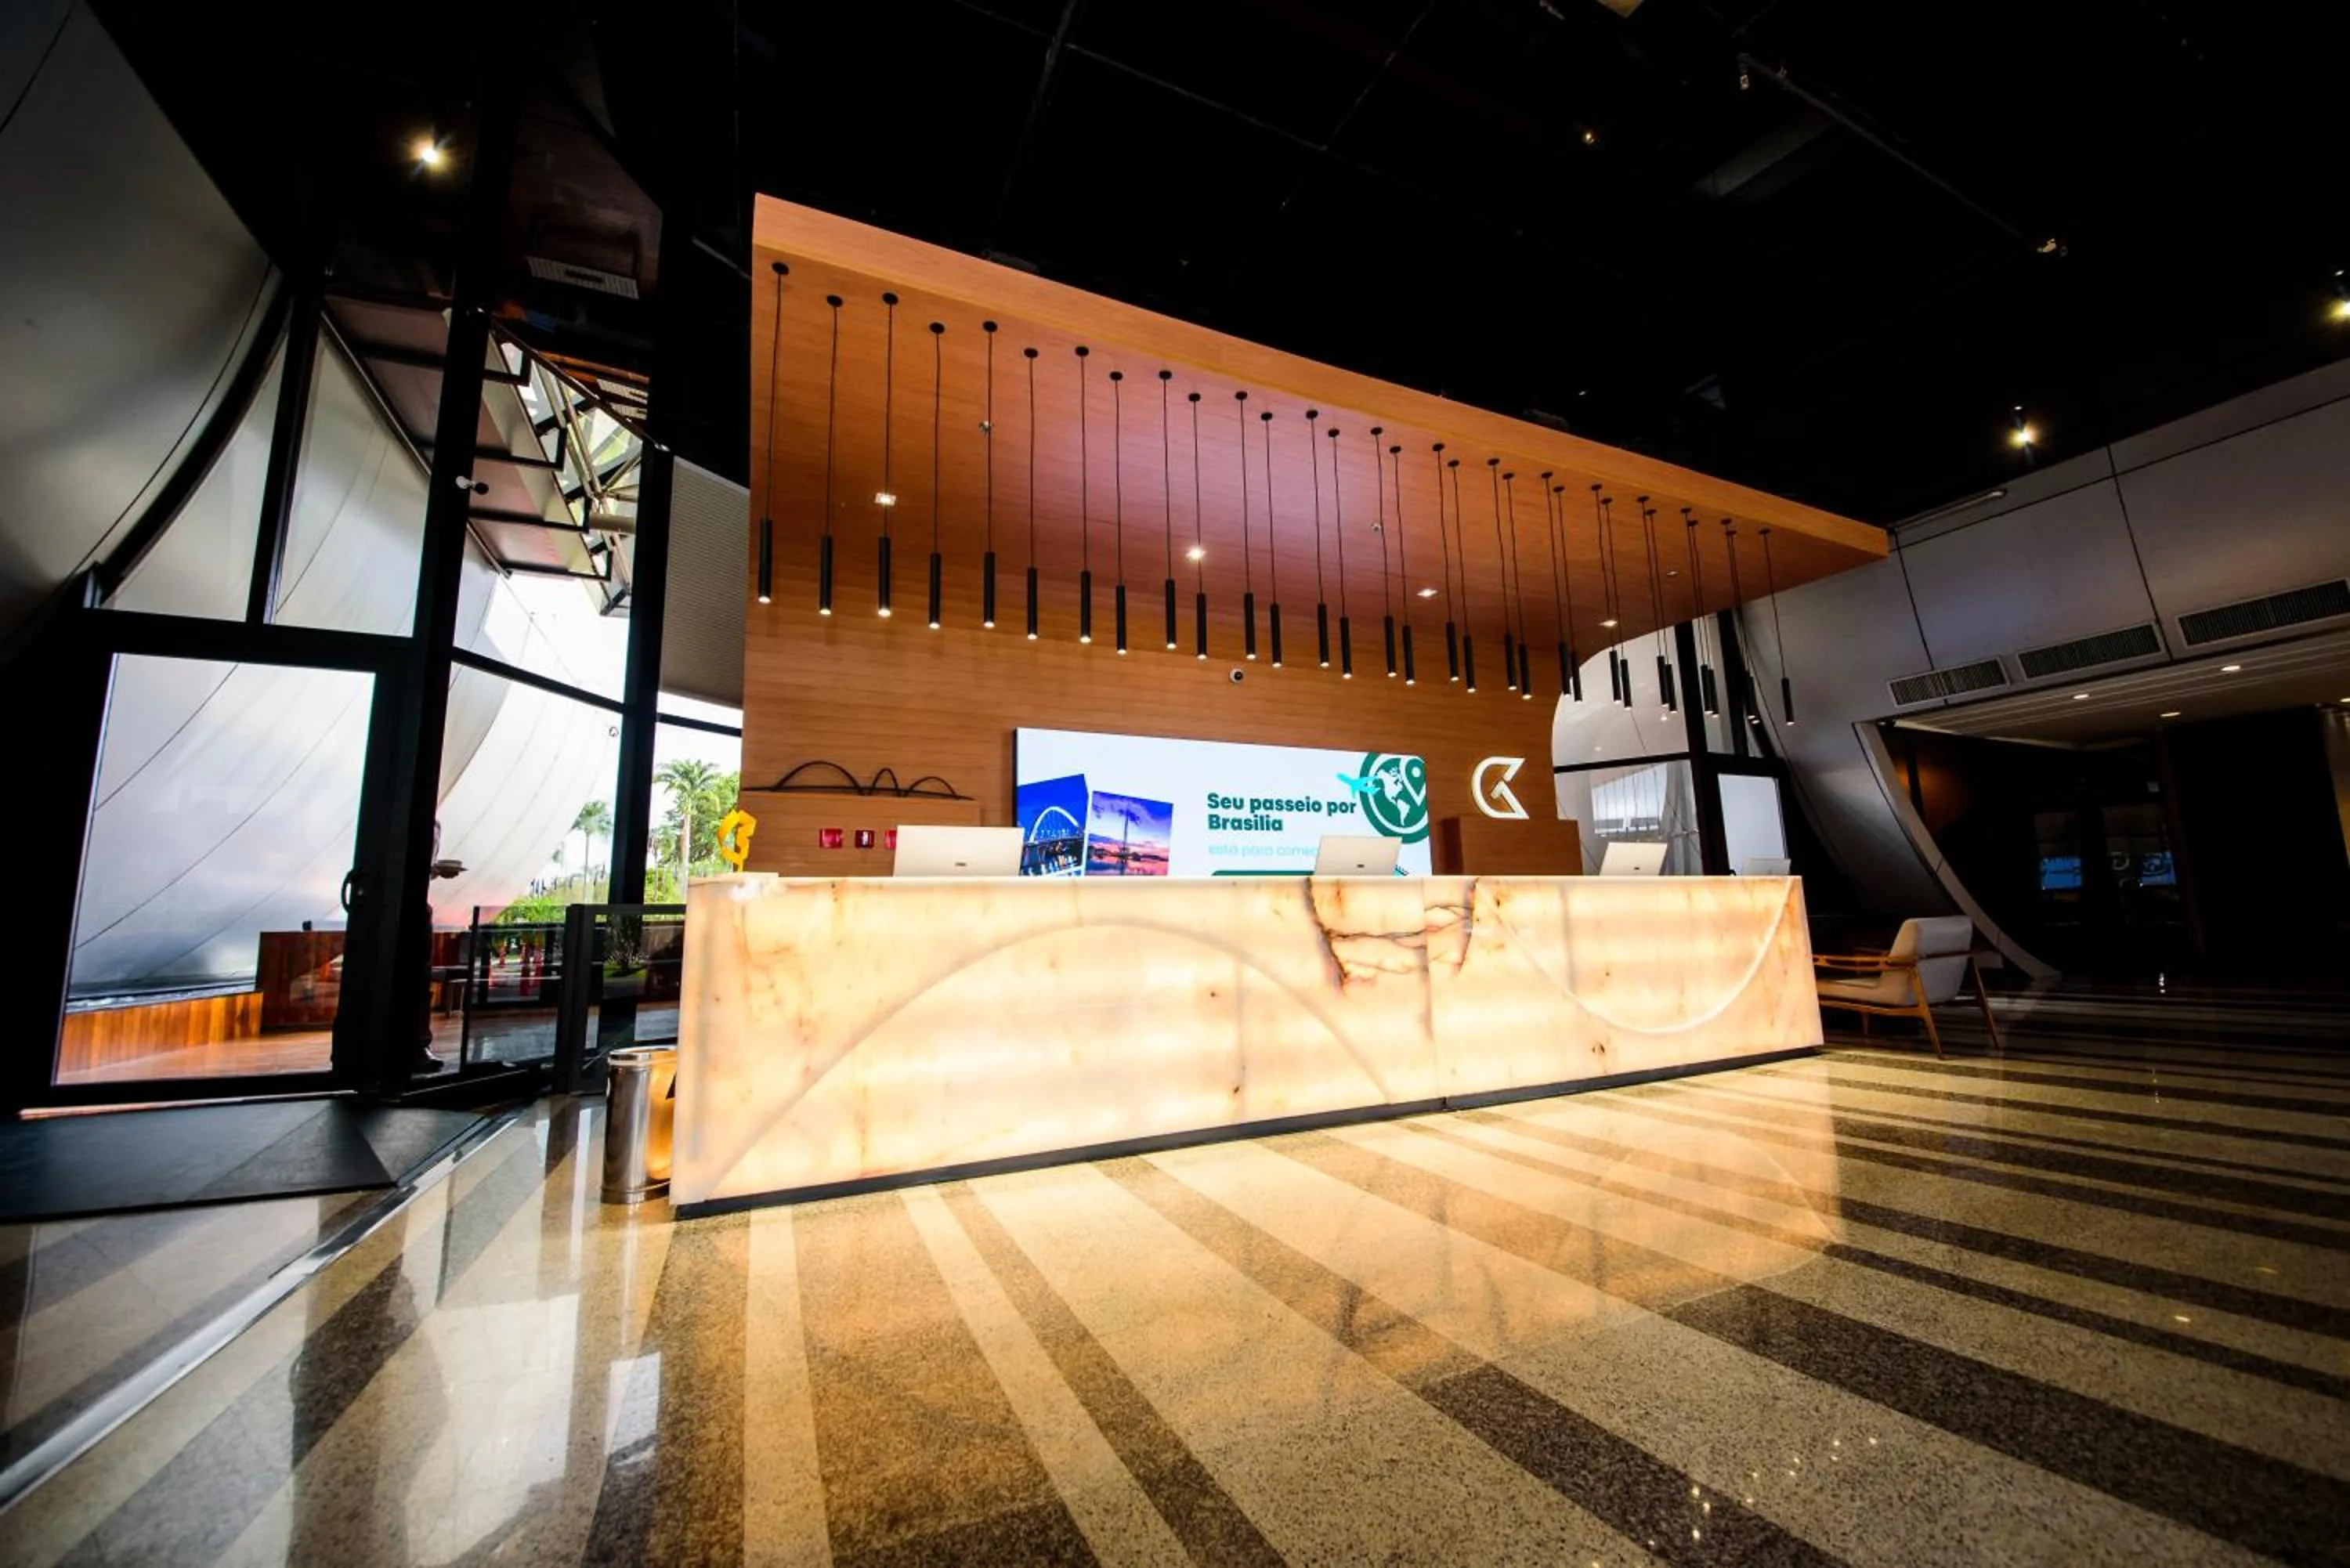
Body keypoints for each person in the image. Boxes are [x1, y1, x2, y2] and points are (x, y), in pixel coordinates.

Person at [410, 820, 465, 1075]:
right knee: (413, 977)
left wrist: (432, 871)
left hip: (418, 905)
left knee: (419, 978)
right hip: (407, 907)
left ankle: (417, 1044)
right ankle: (413, 1045)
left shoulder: (433, 824)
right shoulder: (416, 821)